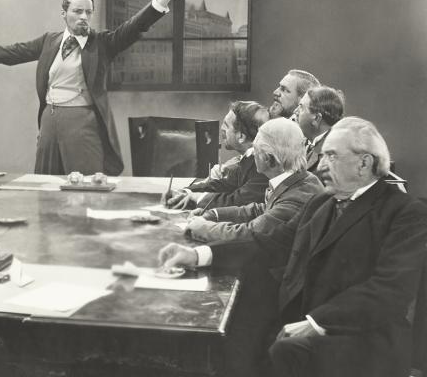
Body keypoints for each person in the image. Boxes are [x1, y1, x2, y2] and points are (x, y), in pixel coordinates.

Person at [159, 117, 427, 377]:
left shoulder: (404, 212)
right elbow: (271, 243)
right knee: (228, 329)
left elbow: (388, 291)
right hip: (303, 314)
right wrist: (197, 255)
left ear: (364, 163)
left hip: (359, 337)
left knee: (278, 348)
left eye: (332, 156)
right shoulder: (322, 202)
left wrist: (315, 323)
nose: (321, 166)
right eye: (322, 156)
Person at [0, 0, 184, 175]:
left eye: (88, 12)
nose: (84, 17)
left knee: (85, 188)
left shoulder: (103, 43)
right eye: (77, 11)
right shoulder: (49, 41)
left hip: (83, 124)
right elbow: (10, 53)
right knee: (46, 186)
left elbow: (135, 26)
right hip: (49, 122)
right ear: (64, 14)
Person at [183, 118, 323, 243]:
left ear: (268, 159)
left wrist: (205, 228)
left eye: (255, 149)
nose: (252, 154)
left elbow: (251, 233)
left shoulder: (297, 196)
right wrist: (214, 214)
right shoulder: (299, 180)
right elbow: (260, 210)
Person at [163, 101, 270, 209]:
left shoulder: (263, 165)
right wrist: (185, 191)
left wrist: (197, 197)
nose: (222, 128)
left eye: (226, 125)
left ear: (241, 137)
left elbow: (237, 200)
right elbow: (222, 185)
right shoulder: (248, 159)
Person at [293, 85, 344, 173]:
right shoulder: (302, 144)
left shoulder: (332, 155)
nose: (295, 111)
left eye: (301, 107)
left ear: (316, 118)